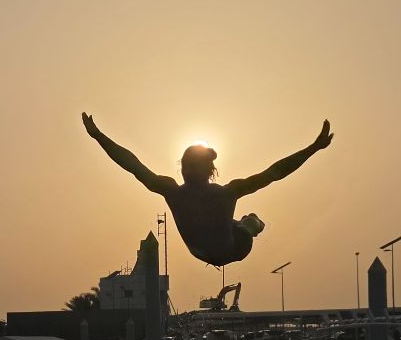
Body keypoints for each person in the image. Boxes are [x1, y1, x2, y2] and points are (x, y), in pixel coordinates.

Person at [82, 113, 334, 266]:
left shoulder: (173, 191)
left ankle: (249, 223)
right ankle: (251, 223)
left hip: (207, 250)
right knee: (246, 222)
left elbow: (133, 165)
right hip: (231, 248)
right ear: (210, 172)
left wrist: (98, 136)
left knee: (242, 224)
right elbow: (274, 173)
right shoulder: (226, 193)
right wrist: (313, 148)